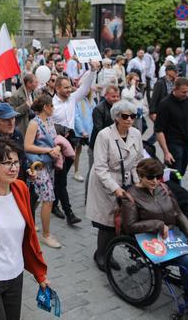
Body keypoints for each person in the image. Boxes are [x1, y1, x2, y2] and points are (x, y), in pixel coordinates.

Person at [122, 158, 188, 319]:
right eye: (150, 177)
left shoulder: (164, 188)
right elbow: (130, 225)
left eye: (158, 176)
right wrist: (158, 224)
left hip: (172, 236)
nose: (155, 181)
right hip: (149, 240)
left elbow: (178, 213)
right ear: (140, 176)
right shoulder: (131, 196)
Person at [0, 140, 50, 320]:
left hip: (15, 275)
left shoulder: (21, 188)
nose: (14, 168)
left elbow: (29, 236)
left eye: (16, 162)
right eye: (6, 163)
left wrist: (40, 274)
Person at [86, 100, 143, 271]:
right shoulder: (104, 135)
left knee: (119, 222)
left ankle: (108, 252)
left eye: (133, 116)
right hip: (105, 183)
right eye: (125, 116)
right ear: (117, 117)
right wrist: (115, 188)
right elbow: (100, 167)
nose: (129, 120)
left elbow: (137, 161)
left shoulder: (136, 134)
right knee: (107, 223)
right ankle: (101, 255)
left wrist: (138, 181)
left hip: (125, 182)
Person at [51, 62, 98, 224]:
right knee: (61, 179)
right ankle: (69, 213)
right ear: (57, 89)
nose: (69, 89)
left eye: (70, 86)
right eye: (65, 87)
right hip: (56, 143)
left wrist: (92, 71)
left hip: (71, 141)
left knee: (60, 177)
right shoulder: (51, 105)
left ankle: (54, 204)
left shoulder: (72, 99)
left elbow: (84, 88)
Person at [25, 95, 65, 248]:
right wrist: (48, 150)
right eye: (52, 106)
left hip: (49, 164)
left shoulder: (49, 121)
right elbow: (27, 146)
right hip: (39, 165)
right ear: (45, 107)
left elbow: (55, 140)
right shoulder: (34, 124)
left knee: (41, 197)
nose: (54, 109)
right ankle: (46, 235)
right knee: (48, 199)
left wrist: (57, 148)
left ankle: (29, 220)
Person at [154, 77, 188, 179]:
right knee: (175, 173)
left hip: (187, 143)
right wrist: (166, 152)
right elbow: (159, 130)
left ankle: (176, 187)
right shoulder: (165, 104)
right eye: (183, 92)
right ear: (175, 89)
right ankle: (175, 190)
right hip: (173, 144)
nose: (186, 94)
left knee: (181, 172)